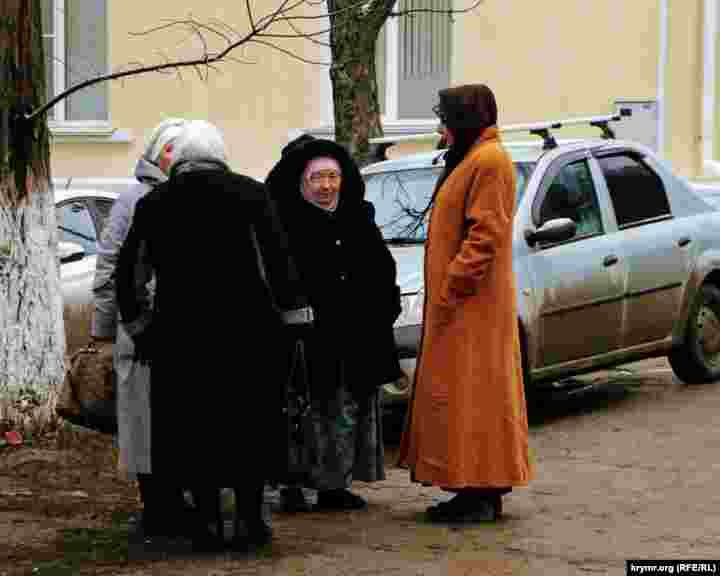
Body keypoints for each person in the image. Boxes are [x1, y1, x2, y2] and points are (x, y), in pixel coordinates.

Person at [116, 120, 313, 550]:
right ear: (221, 155)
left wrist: (141, 330)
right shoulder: (252, 194)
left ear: (180, 161)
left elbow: (130, 274)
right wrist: (295, 322)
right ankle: (249, 522)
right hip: (248, 337)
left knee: (192, 432)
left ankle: (205, 523)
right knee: (248, 428)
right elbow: (279, 262)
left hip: (180, 339)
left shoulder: (156, 203)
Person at [397, 84, 531, 522]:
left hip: (471, 308)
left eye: (447, 119)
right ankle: (471, 487)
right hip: (463, 307)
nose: (442, 128)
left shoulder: (489, 161)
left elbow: (485, 234)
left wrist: (452, 286)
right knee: (465, 399)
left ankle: (479, 491)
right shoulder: (476, 158)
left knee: (474, 398)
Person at [266, 135, 403, 512]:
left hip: (355, 337)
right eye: (317, 178)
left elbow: (381, 269)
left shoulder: (358, 216)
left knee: (345, 412)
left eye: (332, 177)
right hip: (304, 341)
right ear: (301, 181)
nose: (326, 186)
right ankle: (292, 483)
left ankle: (335, 485)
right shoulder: (283, 223)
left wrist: (381, 309)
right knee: (302, 414)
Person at [89, 117, 189, 538]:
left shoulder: (193, 194)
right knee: (142, 417)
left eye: (182, 150)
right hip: (142, 326)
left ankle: (180, 498)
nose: (176, 157)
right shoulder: (134, 199)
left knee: (178, 417)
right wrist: (104, 326)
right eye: (169, 149)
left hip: (184, 328)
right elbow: (111, 262)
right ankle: (156, 505)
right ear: (154, 152)